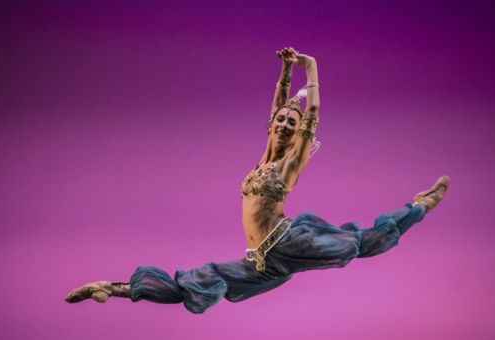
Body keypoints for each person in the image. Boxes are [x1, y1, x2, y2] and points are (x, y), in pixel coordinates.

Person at [65, 47, 451, 314]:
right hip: (263, 262)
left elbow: (312, 110)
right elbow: (277, 106)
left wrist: (309, 66)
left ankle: (418, 206)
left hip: (289, 241)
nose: (285, 123)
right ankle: (112, 288)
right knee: (204, 280)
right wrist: (285, 71)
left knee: (356, 244)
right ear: (272, 124)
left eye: (292, 123)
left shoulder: (289, 163)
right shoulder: (261, 161)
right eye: (281, 119)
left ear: (300, 133)